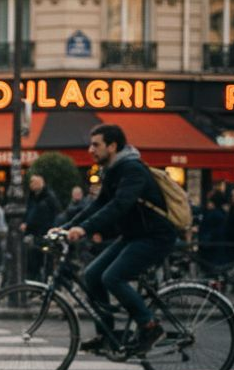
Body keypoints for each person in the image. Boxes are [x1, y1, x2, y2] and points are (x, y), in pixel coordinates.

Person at [61, 124, 177, 355]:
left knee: (112, 277)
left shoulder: (132, 169)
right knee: (92, 275)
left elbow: (119, 205)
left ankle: (150, 326)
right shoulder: (112, 170)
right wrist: (66, 227)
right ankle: (107, 335)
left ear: (112, 146)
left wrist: (83, 229)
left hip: (155, 236)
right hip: (134, 235)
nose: (90, 149)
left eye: (96, 144)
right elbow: (98, 204)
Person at [21, 173, 61, 279]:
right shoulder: (32, 196)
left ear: (41, 182)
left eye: (33, 181)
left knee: (46, 261)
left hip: (44, 233)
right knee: (33, 261)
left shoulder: (48, 197)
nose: (31, 184)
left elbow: (53, 214)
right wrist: (26, 223)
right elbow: (29, 212)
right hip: (35, 233)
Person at [198, 191, 230, 272]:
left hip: (211, 251)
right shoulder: (220, 213)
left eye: (210, 201)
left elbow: (211, 232)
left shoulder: (214, 215)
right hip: (215, 249)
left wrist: (204, 242)